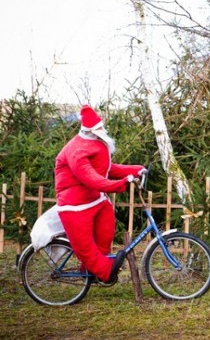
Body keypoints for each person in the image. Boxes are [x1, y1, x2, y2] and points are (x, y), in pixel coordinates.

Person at [54, 105, 146, 284]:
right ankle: (105, 271)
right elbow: (92, 179)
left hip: (96, 200)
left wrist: (137, 170)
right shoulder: (77, 151)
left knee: (105, 233)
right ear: (92, 131)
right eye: (100, 128)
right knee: (86, 248)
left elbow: (107, 169)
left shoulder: (95, 143)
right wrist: (121, 184)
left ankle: (91, 271)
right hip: (75, 206)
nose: (103, 130)